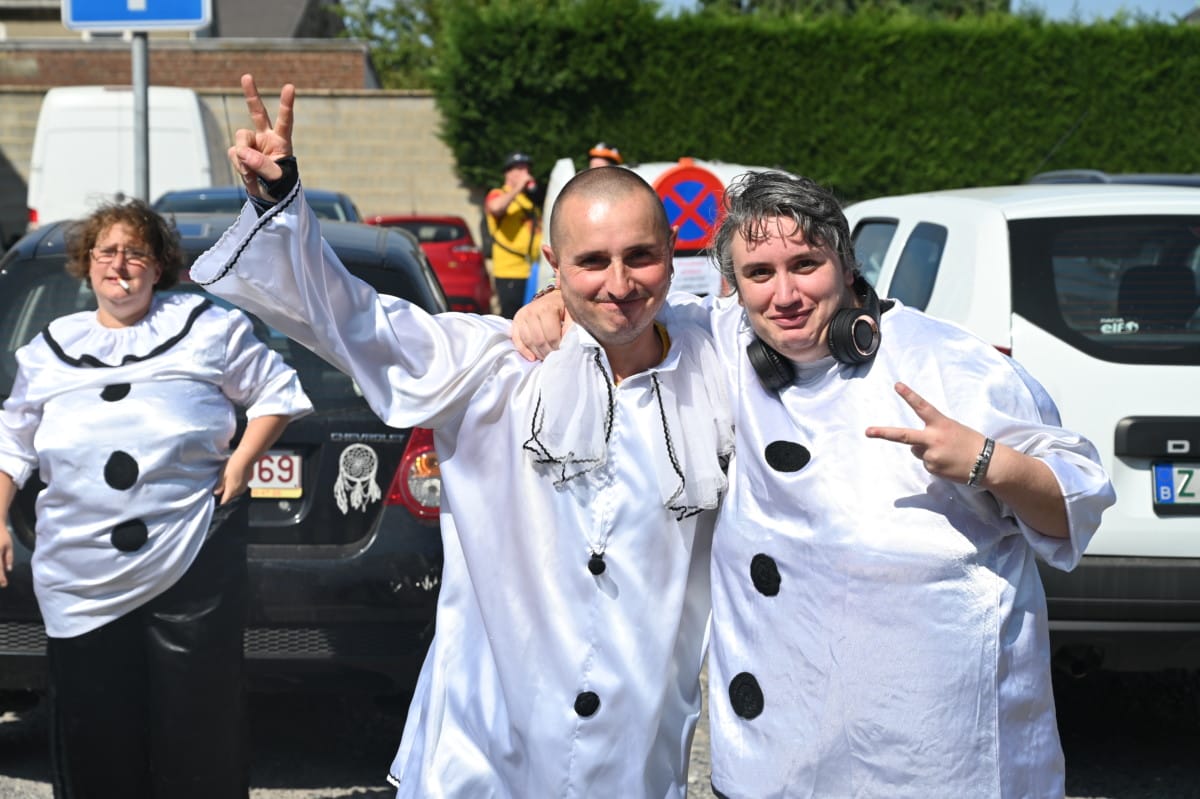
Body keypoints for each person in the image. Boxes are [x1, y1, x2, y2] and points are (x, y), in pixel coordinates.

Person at [189, 74, 732, 798]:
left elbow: (801, 312)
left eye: (641, 256)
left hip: (637, 752)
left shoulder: (714, 360)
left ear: (672, 252)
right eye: (591, 262)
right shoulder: (490, 365)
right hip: (486, 750)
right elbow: (355, 321)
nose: (619, 283)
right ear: (553, 265)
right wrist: (281, 203)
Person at [514, 170, 1116, 798]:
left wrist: (986, 462)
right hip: (778, 764)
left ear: (846, 264)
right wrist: (557, 301)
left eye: (805, 264)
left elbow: (1075, 506)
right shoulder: (720, 344)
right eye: (759, 273)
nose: (785, 295)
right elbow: (624, 306)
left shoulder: (951, 366)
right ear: (734, 286)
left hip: (942, 762)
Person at [0, 199, 313, 798]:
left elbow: (277, 391)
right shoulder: (49, 350)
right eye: (107, 252)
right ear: (88, 263)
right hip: (80, 571)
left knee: (197, 731)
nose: (120, 265)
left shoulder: (207, 328)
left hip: (188, 559)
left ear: (159, 265)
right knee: (95, 733)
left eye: (135, 253)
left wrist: (241, 463)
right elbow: (11, 442)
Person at [486, 150, 543, 318]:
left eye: (527, 169)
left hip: (531, 271)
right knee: (511, 319)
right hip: (510, 271)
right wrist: (518, 187)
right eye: (520, 169)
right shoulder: (498, 194)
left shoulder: (528, 200)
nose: (526, 173)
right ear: (508, 173)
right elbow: (496, 207)